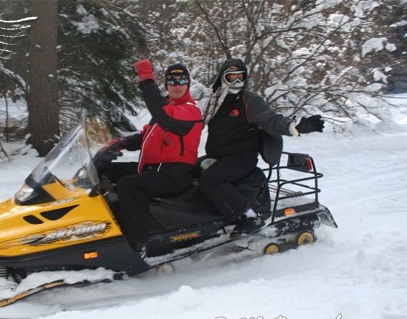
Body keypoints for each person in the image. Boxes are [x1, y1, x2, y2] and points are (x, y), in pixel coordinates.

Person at [200, 58, 324, 235]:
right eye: (231, 77)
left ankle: (248, 216)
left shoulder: (249, 101)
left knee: (210, 180)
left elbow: (270, 120)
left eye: (239, 77)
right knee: (189, 171)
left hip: (241, 158)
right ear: (222, 78)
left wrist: (294, 127)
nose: (236, 81)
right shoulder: (216, 101)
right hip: (220, 156)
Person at [98, 61, 203, 255]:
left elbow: (164, 116)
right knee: (107, 169)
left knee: (129, 185)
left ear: (188, 84)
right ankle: (99, 226)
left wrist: (146, 80)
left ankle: (137, 244)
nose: (177, 85)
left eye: (182, 80)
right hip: (153, 167)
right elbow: (146, 135)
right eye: (172, 80)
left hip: (175, 174)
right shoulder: (167, 107)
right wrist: (121, 143)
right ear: (166, 84)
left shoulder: (190, 110)